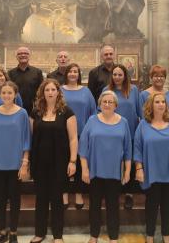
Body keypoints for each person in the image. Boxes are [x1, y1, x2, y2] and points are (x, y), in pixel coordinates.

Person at [134, 92, 169, 243]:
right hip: (151, 172)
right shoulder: (143, 125)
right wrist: (139, 169)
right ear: (150, 105)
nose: (160, 104)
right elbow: (137, 148)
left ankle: (166, 234)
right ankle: (150, 235)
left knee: (168, 206)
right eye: (157, 102)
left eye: (163, 102)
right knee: (151, 206)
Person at [79, 90, 132, 243]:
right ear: (99, 104)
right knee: (94, 206)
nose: (107, 104)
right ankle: (94, 235)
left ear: (116, 105)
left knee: (113, 206)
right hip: (95, 171)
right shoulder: (92, 120)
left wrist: (128, 171)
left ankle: (113, 237)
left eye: (110, 102)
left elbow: (128, 149)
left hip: (115, 172)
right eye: (104, 102)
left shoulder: (124, 122)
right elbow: (83, 148)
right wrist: (85, 169)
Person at [29, 79, 78, 243]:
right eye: (47, 90)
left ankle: (58, 235)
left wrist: (72, 161)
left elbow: (73, 139)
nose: (50, 92)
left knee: (57, 200)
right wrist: (28, 161)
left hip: (60, 162)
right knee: (41, 199)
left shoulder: (67, 112)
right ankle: (39, 233)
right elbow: (30, 138)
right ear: (42, 93)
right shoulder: (35, 112)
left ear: (58, 92)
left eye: (53, 90)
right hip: (39, 163)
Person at [0, 81, 31, 243]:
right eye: (3, 92)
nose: (6, 95)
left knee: (15, 198)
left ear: (15, 95)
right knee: (0, 199)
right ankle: (1, 230)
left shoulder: (22, 113)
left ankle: (13, 231)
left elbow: (26, 139)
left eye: (9, 93)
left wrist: (25, 162)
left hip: (15, 163)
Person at [105, 64, 141, 210]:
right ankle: (112, 192)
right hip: (111, 133)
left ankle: (129, 194)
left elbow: (140, 112)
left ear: (125, 76)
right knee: (113, 162)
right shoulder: (107, 91)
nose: (117, 77)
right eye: (115, 74)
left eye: (120, 74)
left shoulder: (133, 91)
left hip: (130, 131)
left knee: (129, 163)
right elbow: (100, 111)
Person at [60, 63, 96, 209]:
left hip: (82, 132)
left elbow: (93, 112)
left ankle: (79, 193)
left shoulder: (86, 91)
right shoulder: (60, 90)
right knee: (63, 163)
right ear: (66, 74)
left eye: (75, 71)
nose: (73, 74)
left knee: (80, 164)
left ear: (79, 74)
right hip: (62, 133)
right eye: (70, 72)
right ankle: (64, 192)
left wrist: (90, 130)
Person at [8, 47, 43, 115]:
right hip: (15, 108)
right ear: (16, 57)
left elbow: (41, 91)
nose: (23, 55)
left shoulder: (37, 72)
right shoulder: (10, 73)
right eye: (20, 54)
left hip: (34, 109)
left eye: (25, 53)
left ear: (29, 56)